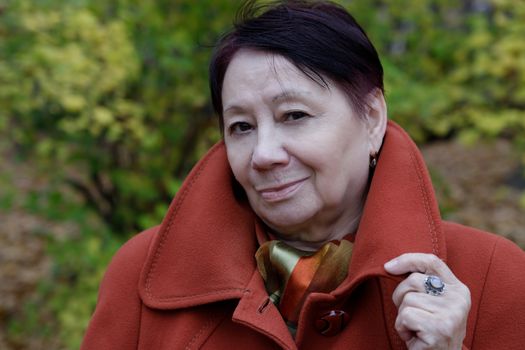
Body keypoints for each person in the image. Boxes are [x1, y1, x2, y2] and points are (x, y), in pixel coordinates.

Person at [81, 1, 525, 349]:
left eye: (294, 115)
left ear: (371, 117)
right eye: (241, 127)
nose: (264, 154)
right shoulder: (141, 273)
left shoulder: (491, 275)